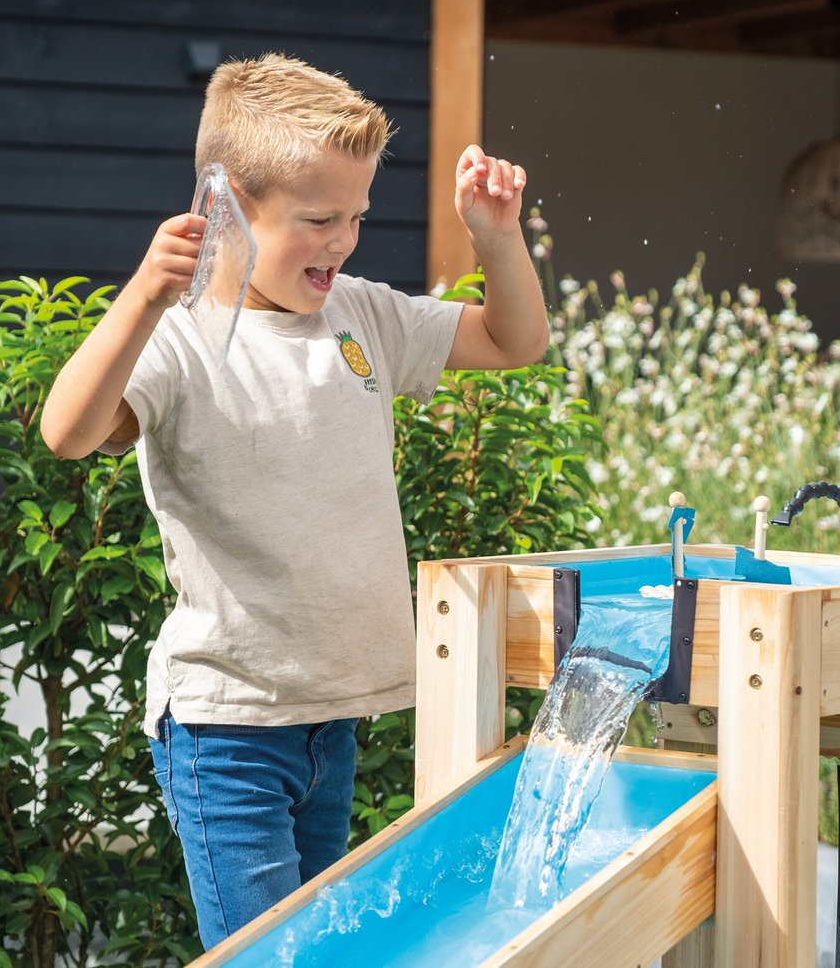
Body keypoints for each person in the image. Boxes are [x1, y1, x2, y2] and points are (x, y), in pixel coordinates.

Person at [39, 53, 549, 948]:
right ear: (224, 202)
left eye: (356, 215)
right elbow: (69, 432)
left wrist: (497, 239)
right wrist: (144, 296)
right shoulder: (183, 338)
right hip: (227, 728)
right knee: (268, 957)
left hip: (327, 727)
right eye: (318, 220)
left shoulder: (362, 317)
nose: (344, 240)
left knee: (320, 952)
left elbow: (514, 341)